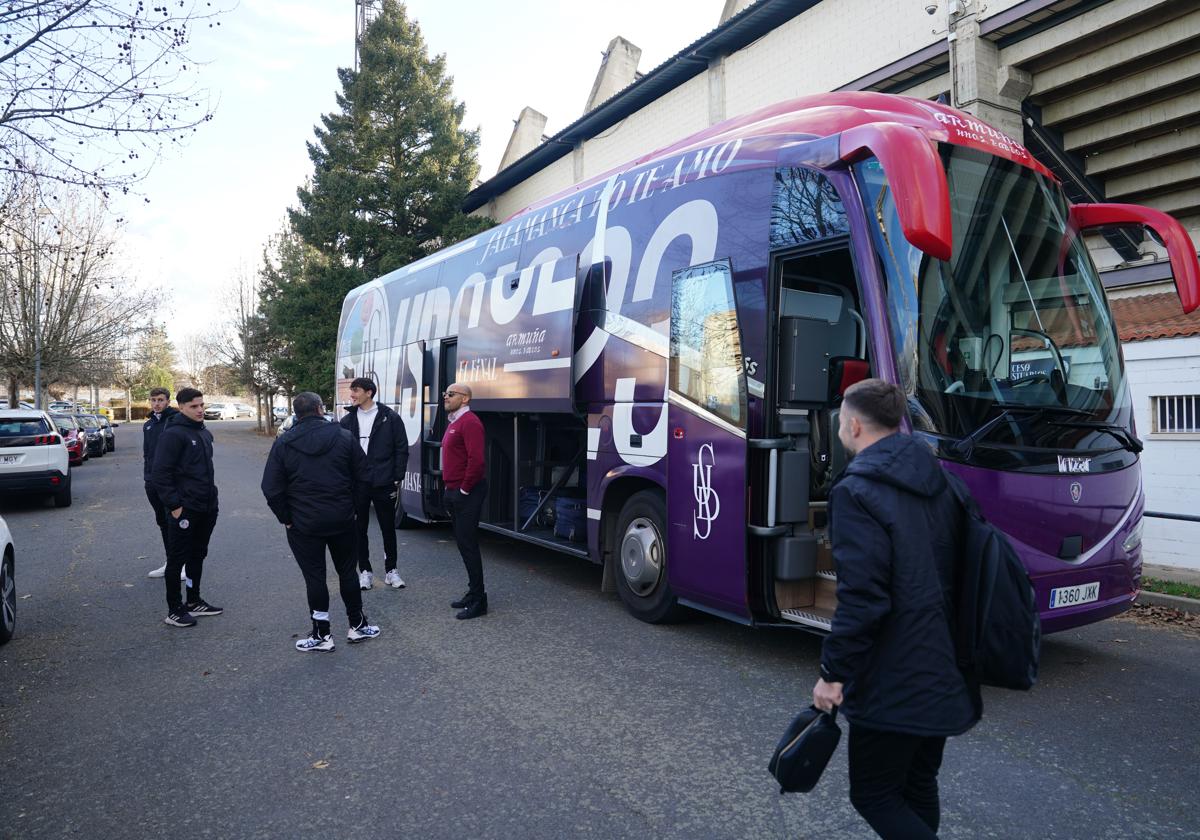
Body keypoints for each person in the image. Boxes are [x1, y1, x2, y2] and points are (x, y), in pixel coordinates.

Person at [811, 378, 979, 840]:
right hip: (944, 664)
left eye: (841, 420)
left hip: (894, 676)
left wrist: (833, 673)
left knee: (875, 794)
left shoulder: (856, 490)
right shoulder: (940, 477)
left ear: (854, 426)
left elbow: (864, 597)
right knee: (917, 782)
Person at [262, 392, 380, 651]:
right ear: (319, 409)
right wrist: (356, 510)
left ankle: (322, 634)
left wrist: (287, 518)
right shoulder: (344, 437)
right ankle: (357, 625)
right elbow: (364, 476)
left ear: (296, 413)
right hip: (341, 518)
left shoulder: (284, 443)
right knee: (348, 572)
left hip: (304, 524)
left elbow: (271, 487)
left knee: (314, 578)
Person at [150, 388, 223, 627]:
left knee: (198, 554)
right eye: (194, 406)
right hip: (185, 509)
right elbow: (160, 473)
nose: (200, 409)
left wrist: (212, 500)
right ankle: (174, 609)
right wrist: (175, 506)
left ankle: (193, 601)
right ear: (181, 407)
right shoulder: (173, 434)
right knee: (177, 559)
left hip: (206, 507)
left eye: (201, 405)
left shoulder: (203, 432)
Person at [339, 376, 409, 591]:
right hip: (357, 483)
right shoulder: (346, 421)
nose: (352, 395)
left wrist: (397, 476)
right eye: (351, 391)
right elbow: (339, 453)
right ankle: (365, 572)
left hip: (384, 482)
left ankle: (391, 571)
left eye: (356, 390)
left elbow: (401, 448)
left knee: (388, 527)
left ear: (369, 392)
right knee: (359, 529)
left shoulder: (390, 417)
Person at [441, 382, 487, 620]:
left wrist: (464, 490)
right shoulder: (454, 423)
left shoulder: (470, 423)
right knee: (462, 544)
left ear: (466, 398)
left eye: (451, 394)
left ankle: (479, 601)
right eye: (445, 394)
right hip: (454, 490)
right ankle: (473, 592)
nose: (446, 397)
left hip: (466, 492)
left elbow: (477, 461)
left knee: (468, 545)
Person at [143, 387, 183, 580]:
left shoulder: (175, 421)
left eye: (160, 400)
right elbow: (147, 455)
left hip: (171, 483)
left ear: (168, 401)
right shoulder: (149, 425)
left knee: (177, 523)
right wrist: (147, 478)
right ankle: (171, 562)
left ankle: (182, 564)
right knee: (163, 522)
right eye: (153, 400)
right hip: (152, 483)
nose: (156, 404)